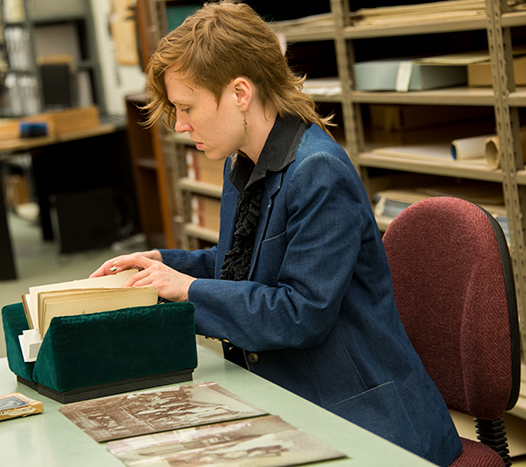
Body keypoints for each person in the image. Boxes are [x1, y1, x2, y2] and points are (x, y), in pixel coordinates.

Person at [91, 2, 462, 465]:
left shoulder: (318, 173)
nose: (181, 125)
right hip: (290, 402)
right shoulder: (242, 161)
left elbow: (299, 313)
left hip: (366, 423)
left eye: (187, 108)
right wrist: (164, 267)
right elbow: (242, 268)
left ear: (240, 92)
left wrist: (187, 291)